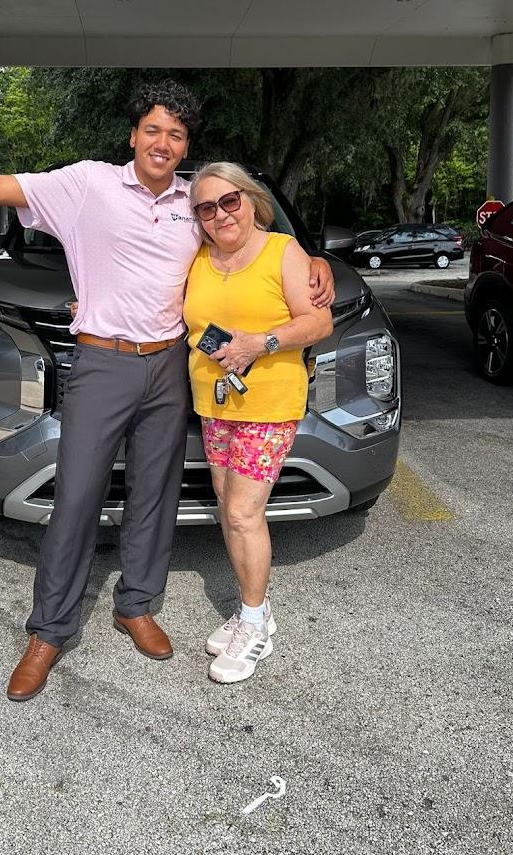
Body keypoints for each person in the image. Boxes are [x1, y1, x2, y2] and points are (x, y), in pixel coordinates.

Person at [0, 81, 335, 701]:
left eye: (176, 135)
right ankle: (48, 631)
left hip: (169, 366)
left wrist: (313, 262)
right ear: (134, 135)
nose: (163, 143)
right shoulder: (87, 184)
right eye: (153, 130)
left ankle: (136, 605)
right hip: (102, 361)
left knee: (154, 493)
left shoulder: (196, 204)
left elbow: (251, 244)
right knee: (76, 497)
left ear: (185, 147)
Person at [183, 162, 334, 684]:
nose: (220, 214)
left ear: (250, 201)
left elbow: (319, 320)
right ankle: (256, 611)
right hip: (215, 402)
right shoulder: (198, 258)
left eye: (230, 201)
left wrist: (260, 343)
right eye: (207, 208)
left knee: (244, 512)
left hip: (267, 404)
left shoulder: (282, 251)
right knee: (228, 507)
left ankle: (254, 626)